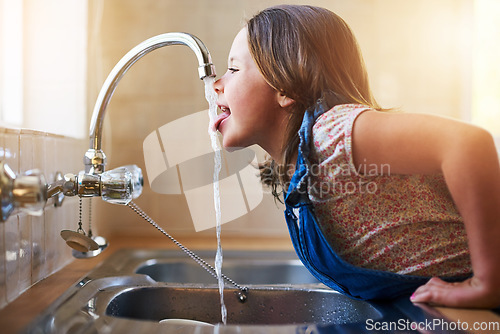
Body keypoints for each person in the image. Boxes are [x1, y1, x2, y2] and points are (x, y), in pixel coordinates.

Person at [212, 4, 500, 308]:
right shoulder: (304, 167)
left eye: (232, 69)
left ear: (284, 86)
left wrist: (487, 282)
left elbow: (468, 143)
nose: (217, 83)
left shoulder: (333, 133)